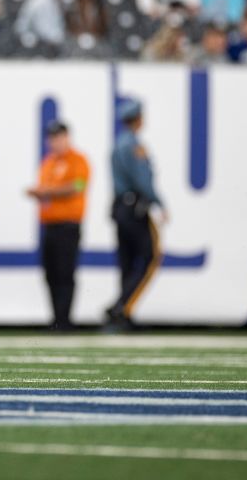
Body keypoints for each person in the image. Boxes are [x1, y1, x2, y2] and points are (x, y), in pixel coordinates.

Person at [106, 99, 166, 331]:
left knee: (127, 261)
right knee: (149, 256)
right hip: (135, 208)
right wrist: (158, 202)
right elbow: (143, 180)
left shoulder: (117, 145)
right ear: (138, 119)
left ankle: (122, 313)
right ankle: (121, 306)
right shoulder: (134, 146)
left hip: (120, 208)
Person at [26, 120, 90, 332]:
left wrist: (47, 192)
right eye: (52, 138)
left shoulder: (78, 160)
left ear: (67, 137)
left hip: (68, 225)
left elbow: (78, 186)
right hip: (49, 225)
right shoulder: (48, 163)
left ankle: (65, 318)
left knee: (65, 272)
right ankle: (56, 318)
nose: (55, 142)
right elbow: (45, 188)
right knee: (51, 273)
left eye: (59, 137)